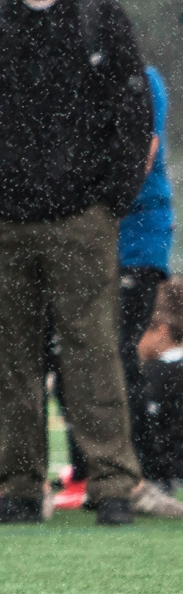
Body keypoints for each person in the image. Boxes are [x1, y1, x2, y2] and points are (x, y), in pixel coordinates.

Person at [0, 0, 159, 525]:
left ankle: (112, 486)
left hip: (78, 221)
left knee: (94, 354)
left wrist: (107, 203)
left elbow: (132, 118)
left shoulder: (102, 19)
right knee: (12, 361)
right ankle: (17, 487)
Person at [120, 66, 177, 489]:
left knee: (124, 351)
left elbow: (145, 150)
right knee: (89, 357)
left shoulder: (143, 79)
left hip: (136, 237)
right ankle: (95, 469)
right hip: (96, 236)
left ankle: (150, 470)